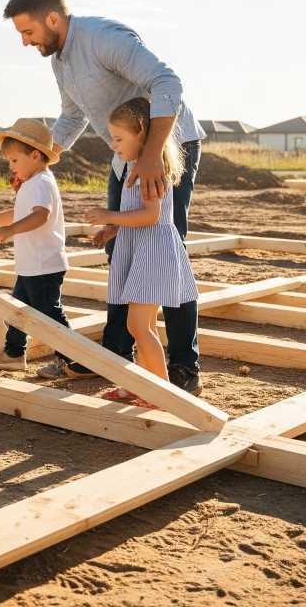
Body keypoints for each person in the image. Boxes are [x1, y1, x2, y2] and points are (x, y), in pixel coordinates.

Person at [3, 0, 205, 395]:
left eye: (28, 31)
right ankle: (115, 356)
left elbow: (168, 83)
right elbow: (71, 117)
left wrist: (151, 154)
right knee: (120, 247)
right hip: (125, 153)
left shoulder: (104, 38)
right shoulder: (60, 61)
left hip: (168, 146)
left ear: (52, 18)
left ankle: (184, 367)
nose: (24, 42)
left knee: (167, 252)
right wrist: (36, 163)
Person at [88, 98, 198, 407]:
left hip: (153, 253)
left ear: (140, 133)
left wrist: (109, 215)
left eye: (118, 138)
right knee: (140, 325)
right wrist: (113, 229)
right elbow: (138, 214)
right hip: (144, 248)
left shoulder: (151, 170)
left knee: (139, 326)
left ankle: (160, 393)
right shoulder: (137, 166)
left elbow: (151, 215)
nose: (114, 145)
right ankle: (143, 385)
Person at [0, 118, 73, 377]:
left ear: (35, 156)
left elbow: (40, 216)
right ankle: (14, 354)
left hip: (44, 266)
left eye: (14, 160)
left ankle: (73, 359)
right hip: (31, 266)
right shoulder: (32, 183)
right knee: (17, 312)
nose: (11, 166)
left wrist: (11, 230)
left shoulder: (42, 182)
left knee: (49, 316)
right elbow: (17, 213)